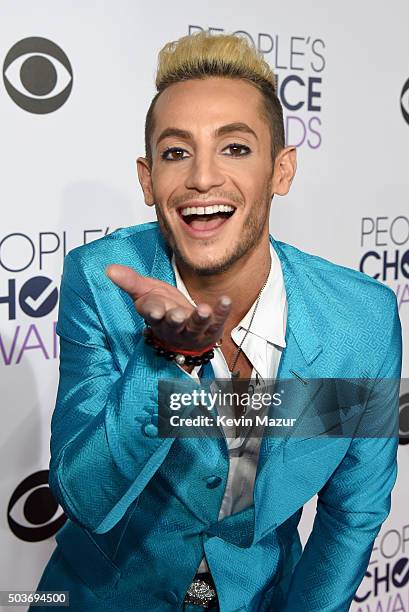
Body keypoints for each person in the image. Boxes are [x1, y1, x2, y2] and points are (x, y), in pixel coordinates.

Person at [33, 31, 402, 611]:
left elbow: (352, 513)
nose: (203, 178)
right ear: (148, 177)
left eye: (235, 148)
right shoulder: (100, 281)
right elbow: (84, 498)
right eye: (177, 152)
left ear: (281, 171)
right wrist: (166, 361)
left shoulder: (361, 321)